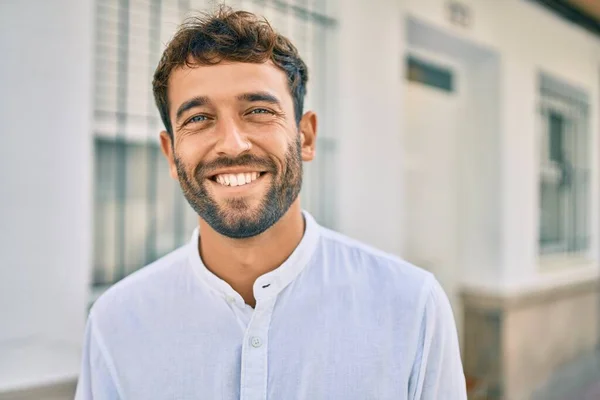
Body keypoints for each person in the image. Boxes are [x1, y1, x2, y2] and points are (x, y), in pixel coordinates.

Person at [75, 6, 467, 400]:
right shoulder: (116, 323)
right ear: (171, 154)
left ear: (306, 137)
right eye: (197, 118)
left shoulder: (412, 307)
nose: (232, 143)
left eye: (259, 111)